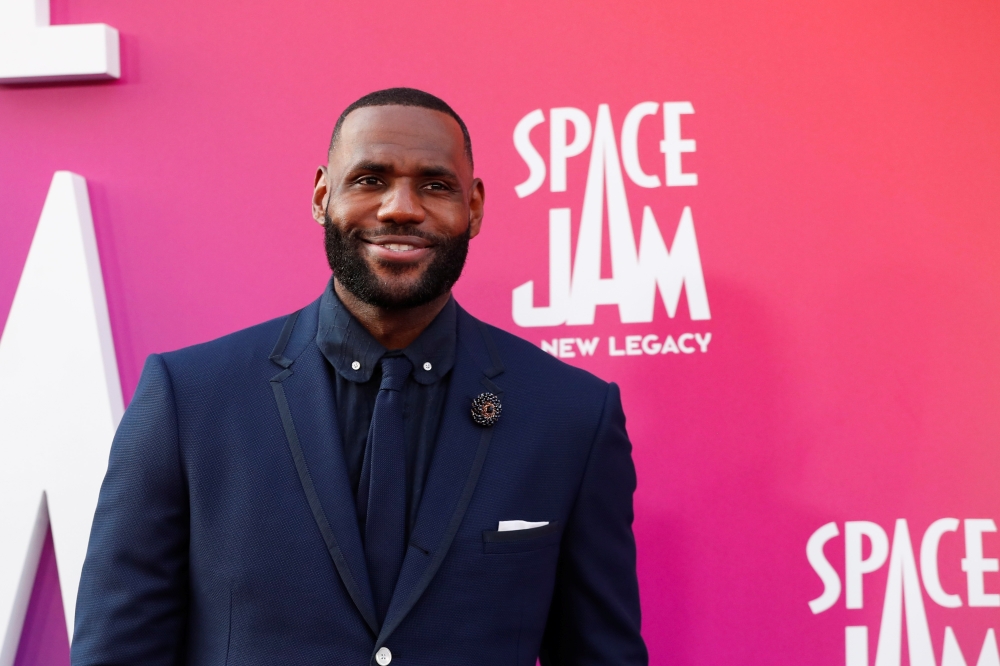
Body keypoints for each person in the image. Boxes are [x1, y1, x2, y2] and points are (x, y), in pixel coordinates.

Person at [71, 87, 648, 666]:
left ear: (474, 207)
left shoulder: (571, 415)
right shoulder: (190, 399)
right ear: (323, 195)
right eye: (370, 180)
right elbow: (117, 650)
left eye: (435, 185)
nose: (401, 208)